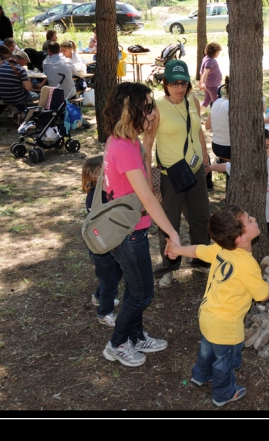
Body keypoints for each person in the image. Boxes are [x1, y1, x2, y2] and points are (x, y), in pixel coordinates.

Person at [98, 82, 180, 367]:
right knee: (142, 293)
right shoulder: (123, 146)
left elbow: (145, 180)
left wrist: (148, 143)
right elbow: (148, 196)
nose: (154, 112)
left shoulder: (129, 140)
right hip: (128, 233)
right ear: (131, 111)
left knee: (136, 290)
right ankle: (117, 343)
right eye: (147, 107)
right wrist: (172, 233)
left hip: (135, 227)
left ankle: (135, 336)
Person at [165, 205, 269, 406]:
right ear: (240, 238)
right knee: (225, 362)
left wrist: (177, 249)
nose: (254, 218)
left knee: (207, 350)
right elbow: (263, 294)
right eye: (249, 220)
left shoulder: (221, 249)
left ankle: (201, 375)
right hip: (227, 327)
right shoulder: (247, 264)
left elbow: (197, 250)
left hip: (207, 315)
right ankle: (223, 393)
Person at [153, 60, 211, 284]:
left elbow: (198, 133)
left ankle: (201, 260)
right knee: (169, 222)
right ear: (165, 84)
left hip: (195, 171)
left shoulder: (193, 102)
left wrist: (205, 159)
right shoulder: (157, 106)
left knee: (201, 218)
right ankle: (169, 266)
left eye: (183, 83)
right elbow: (148, 142)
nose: (179, 88)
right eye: (174, 83)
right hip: (171, 175)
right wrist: (149, 172)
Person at [207, 130, 269, 266]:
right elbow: (227, 166)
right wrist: (210, 168)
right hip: (258, 218)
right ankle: (265, 265)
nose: (262, 151)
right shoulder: (246, 164)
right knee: (263, 243)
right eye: (258, 147)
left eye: (267, 147)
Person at [81, 155, 122, 327]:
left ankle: (98, 297)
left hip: (107, 243)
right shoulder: (95, 197)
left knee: (112, 275)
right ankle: (104, 313)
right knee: (110, 281)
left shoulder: (104, 191)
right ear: (96, 175)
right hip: (101, 246)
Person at [199, 42, 223, 115]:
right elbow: (205, 72)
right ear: (213, 51)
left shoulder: (206, 58)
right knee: (216, 102)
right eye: (218, 52)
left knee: (206, 101)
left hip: (208, 84)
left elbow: (201, 72)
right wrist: (202, 83)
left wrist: (202, 82)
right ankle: (216, 117)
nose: (218, 53)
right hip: (212, 85)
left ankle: (196, 114)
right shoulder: (210, 61)